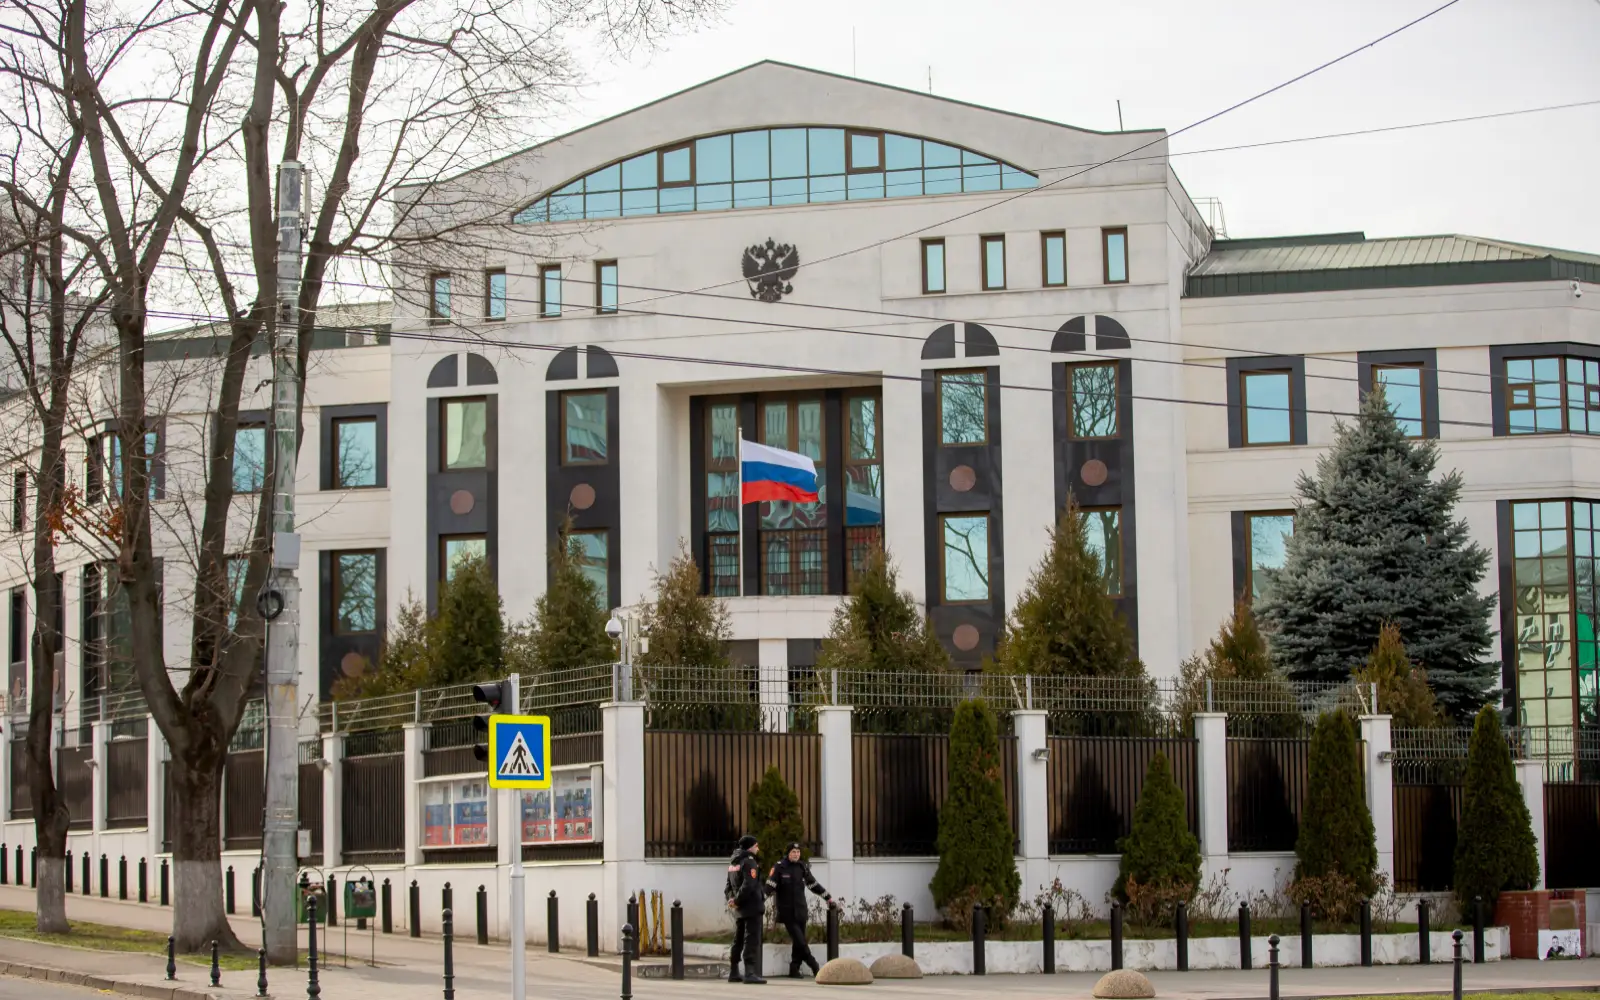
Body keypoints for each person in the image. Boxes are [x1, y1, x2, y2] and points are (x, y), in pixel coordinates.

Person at [765, 842, 831, 978]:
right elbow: (769, 886)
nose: (796, 854)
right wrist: (759, 900)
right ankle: (814, 965)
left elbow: (813, 884)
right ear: (788, 853)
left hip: (801, 910)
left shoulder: (802, 867)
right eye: (793, 852)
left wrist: (828, 897)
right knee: (800, 941)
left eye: (798, 852)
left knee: (798, 942)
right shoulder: (779, 867)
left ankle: (794, 968)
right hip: (787, 911)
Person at [724, 834, 767, 984]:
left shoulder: (733, 862)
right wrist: (736, 900)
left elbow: (728, 887)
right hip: (751, 906)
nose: (758, 849)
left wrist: (732, 900)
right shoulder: (749, 861)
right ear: (750, 847)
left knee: (738, 939)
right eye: (756, 846)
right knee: (751, 939)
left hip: (739, 909)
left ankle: (734, 971)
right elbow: (749, 884)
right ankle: (750, 973)